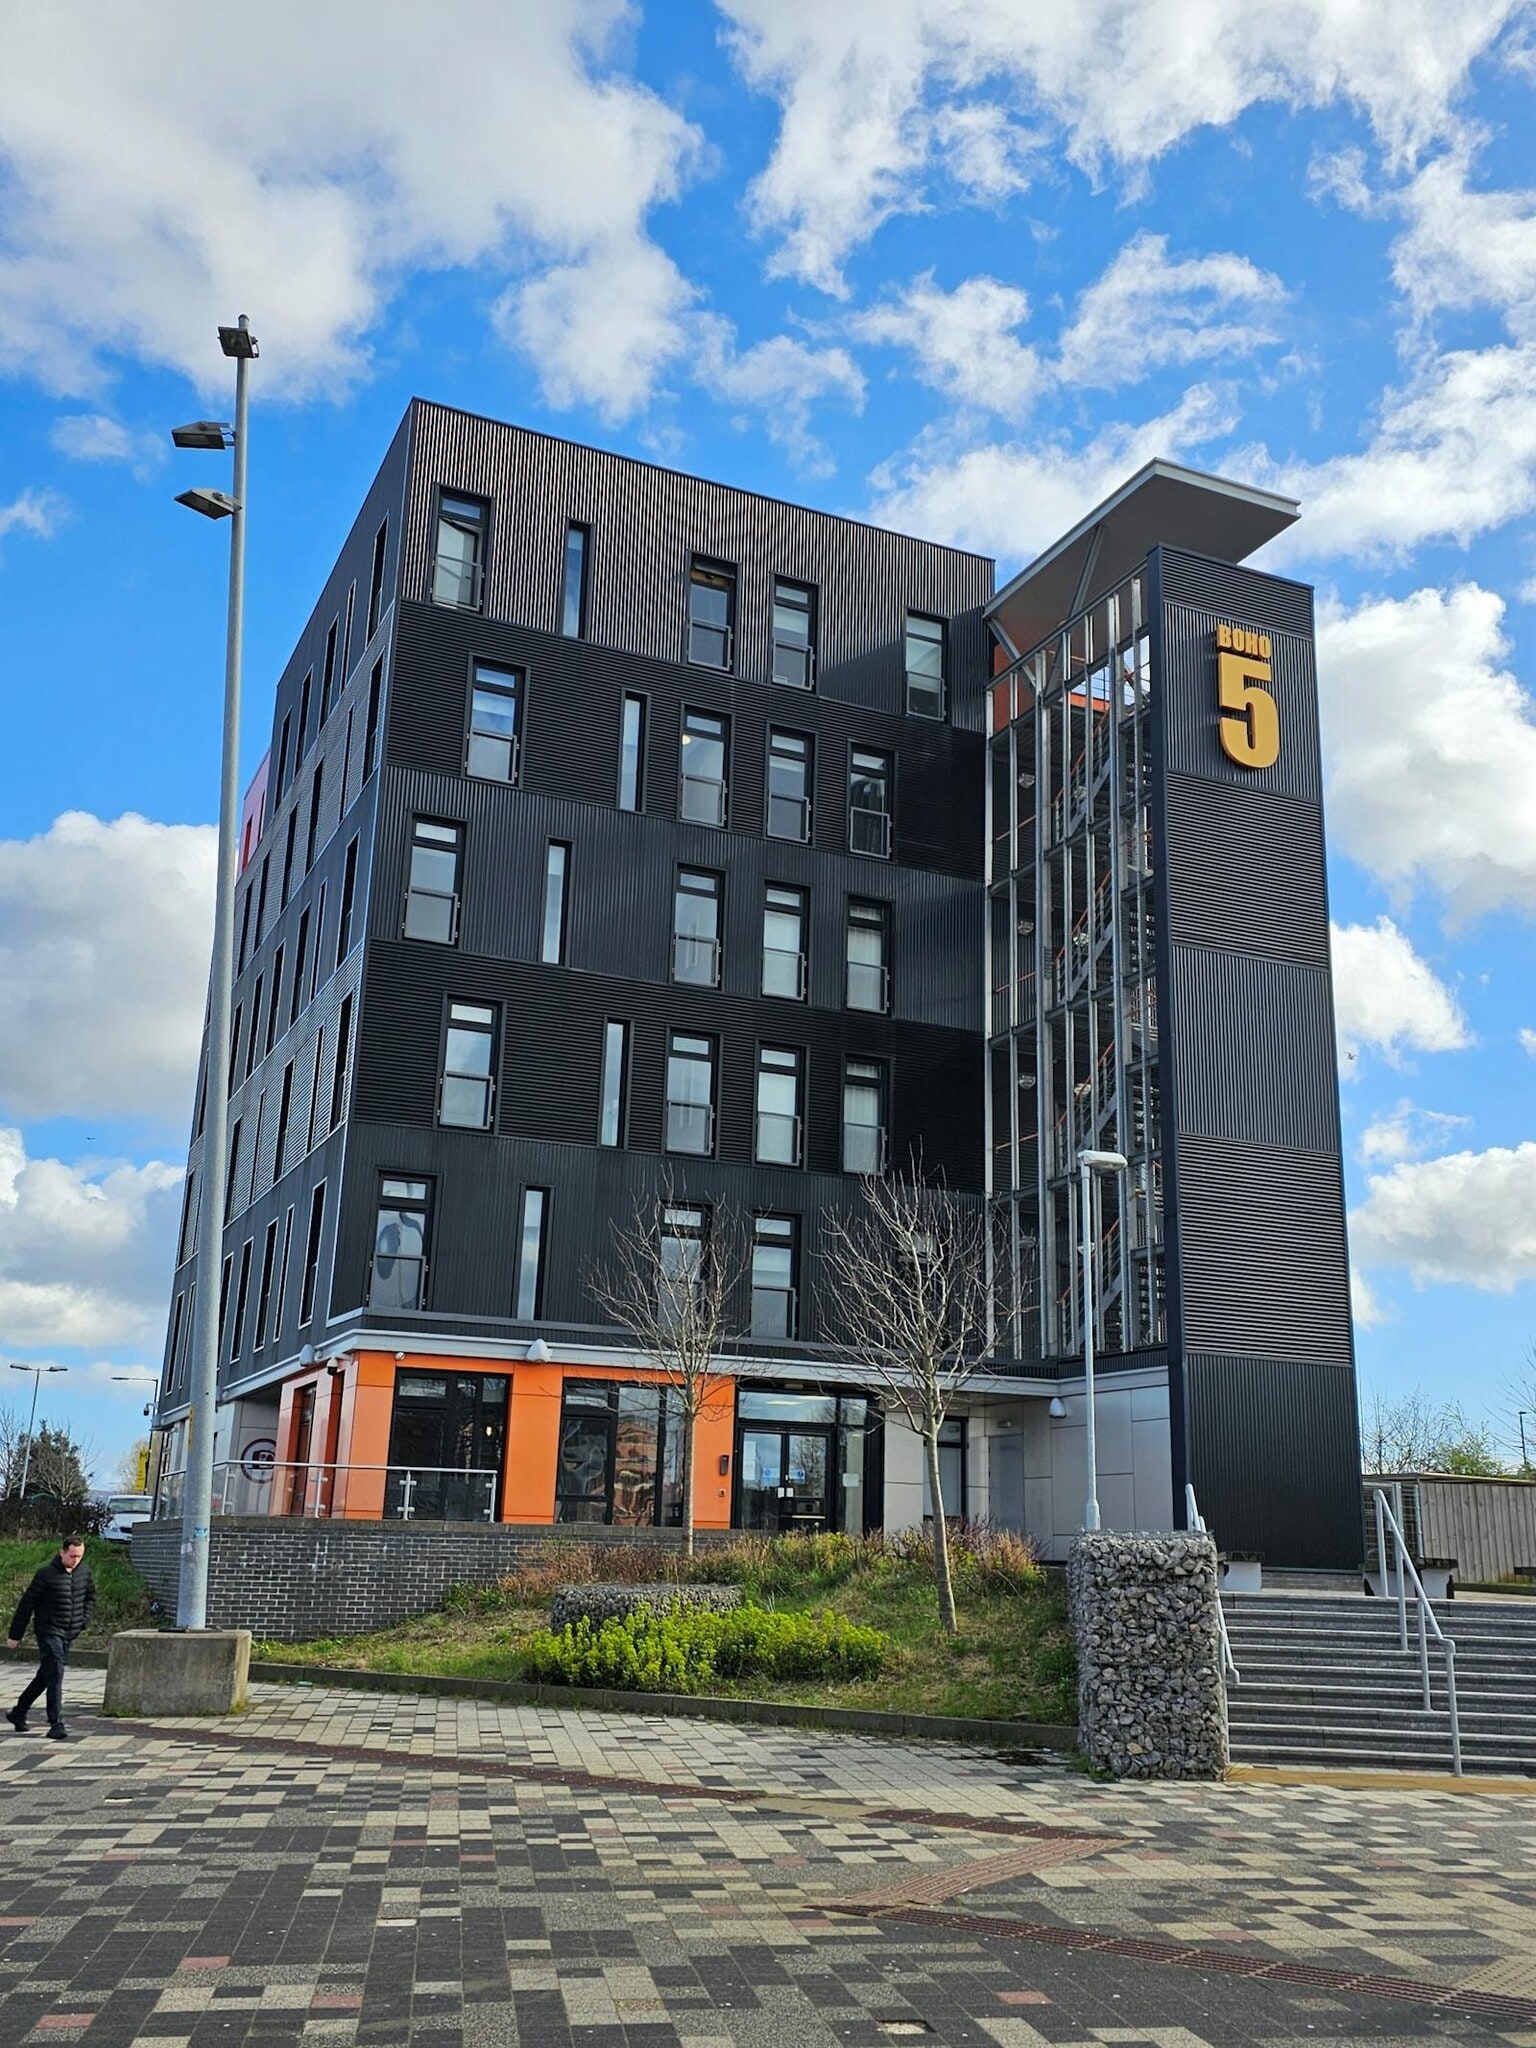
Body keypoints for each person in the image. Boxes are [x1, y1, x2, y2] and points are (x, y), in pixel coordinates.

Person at [6, 1535, 96, 1741]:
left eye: (79, 1556)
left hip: (70, 1631)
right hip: (48, 1631)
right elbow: (26, 1605)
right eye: (72, 1556)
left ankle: (19, 1712)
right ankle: (56, 1723)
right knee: (56, 1672)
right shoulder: (45, 1575)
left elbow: (91, 1597)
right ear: (62, 1552)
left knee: (46, 1675)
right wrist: (15, 1635)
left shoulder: (84, 1572)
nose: (75, 1560)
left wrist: (84, 1619)